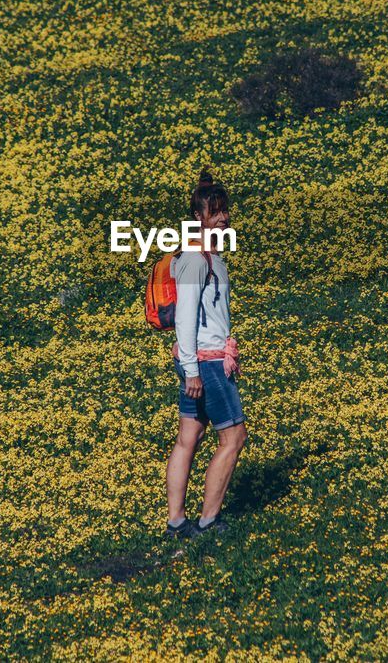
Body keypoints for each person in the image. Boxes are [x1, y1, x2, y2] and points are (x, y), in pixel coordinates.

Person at [165, 170, 247, 538]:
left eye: (225, 210)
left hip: (202, 359)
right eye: (215, 212)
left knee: (189, 438)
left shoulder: (205, 256)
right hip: (207, 364)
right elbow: (185, 317)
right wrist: (192, 369)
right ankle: (209, 521)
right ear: (199, 217)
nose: (223, 217)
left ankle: (176, 523)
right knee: (233, 437)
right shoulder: (198, 261)